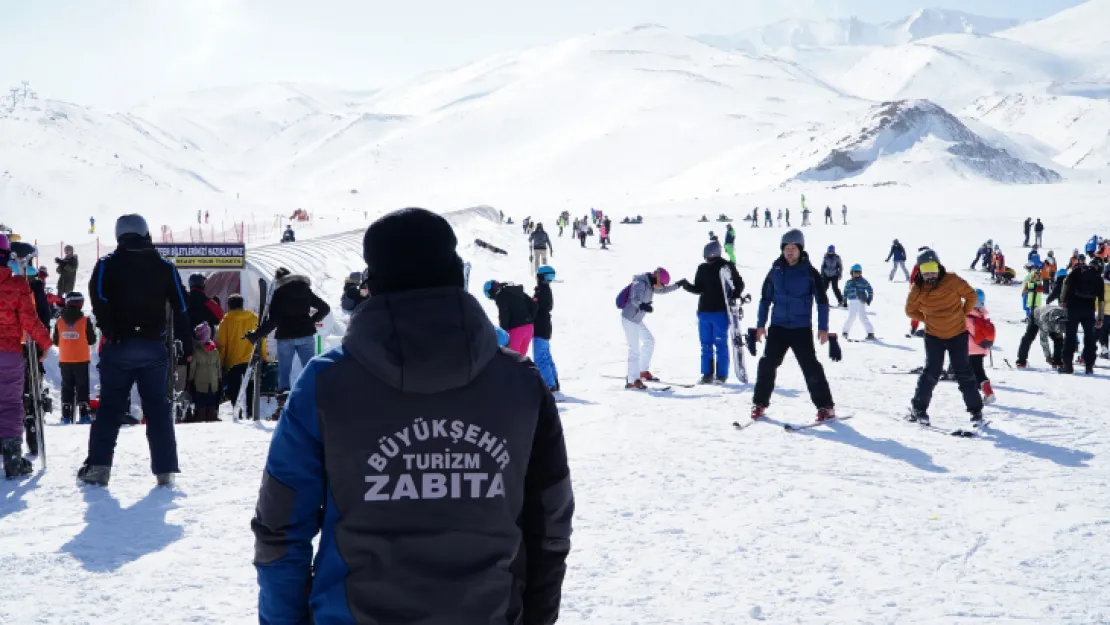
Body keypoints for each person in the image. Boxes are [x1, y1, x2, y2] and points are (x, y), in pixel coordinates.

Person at [252, 208, 572, 625]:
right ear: (458, 275)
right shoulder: (520, 382)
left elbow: (281, 528)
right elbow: (549, 526)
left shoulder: (326, 383)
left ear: (372, 285)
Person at [80, 214, 194, 487]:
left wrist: (111, 330)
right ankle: (165, 471)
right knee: (157, 407)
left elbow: (98, 297)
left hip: (119, 347)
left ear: (119, 235)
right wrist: (186, 345)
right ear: (146, 233)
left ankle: (98, 468)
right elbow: (181, 305)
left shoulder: (107, 265)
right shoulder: (164, 267)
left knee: (110, 407)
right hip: (154, 347)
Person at [751, 229, 837, 420]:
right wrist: (760, 324)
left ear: (800, 249)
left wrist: (823, 328)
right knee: (767, 364)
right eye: (786, 248)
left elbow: (822, 301)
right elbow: (765, 299)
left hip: (801, 329)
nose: (789, 252)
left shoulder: (810, 272)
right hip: (778, 327)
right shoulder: (775, 271)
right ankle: (759, 403)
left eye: (793, 248)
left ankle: (825, 407)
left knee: (810, 367)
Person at [904, 249, 983, 426]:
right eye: (925, 269)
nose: (930, 273)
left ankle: (976, 411)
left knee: (963, 372)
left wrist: (963, 313)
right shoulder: (917, 289)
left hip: (957, 334)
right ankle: (919, 409)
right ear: (919, 271)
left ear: (939, 266)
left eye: (933, 268)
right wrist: (927, 318)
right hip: (934, 337)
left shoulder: (952, 280)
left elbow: (971, 295)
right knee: (932, 372)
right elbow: (909, 310)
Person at [0, 234, 52, 478]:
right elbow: (30, 321)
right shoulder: (19, 285)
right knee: (10, 404)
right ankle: (12, 458)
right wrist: (45, 343)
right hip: (9, 353)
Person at [246, 268, 331, 398]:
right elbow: (325, 308)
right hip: (306, 335)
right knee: (309, 367)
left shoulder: (279, 294)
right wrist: (311, 321)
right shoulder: (305, 290)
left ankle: (284, 398)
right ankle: (314, 394)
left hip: (286, 336)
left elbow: (273, 320)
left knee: (284, 371)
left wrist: (257, 334)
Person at [678, 241, 744, 384]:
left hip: (720, 312)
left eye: (709, 256)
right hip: (704, 312)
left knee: (720, 343)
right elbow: (699, 289)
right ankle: (707, 374)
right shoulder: (702, 268)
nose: (707, 259)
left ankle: (721, 375)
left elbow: (739, 284)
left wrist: (735, 296)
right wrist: (687, 286)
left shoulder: (726, 267)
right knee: (706, 344)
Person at [620, 267, 680, 389]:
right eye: (662, 283)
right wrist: (643, 306)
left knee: (649, 341)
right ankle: (632, 380)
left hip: (636, 319)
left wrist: (678, 285)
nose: (662, 286)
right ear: (657, 278)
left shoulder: (651, 285)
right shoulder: (640, 283)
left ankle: (642, 371)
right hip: (629, 319)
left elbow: (663, 290)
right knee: (634, 349)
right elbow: (634, 298)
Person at [216, 293, 266, 419]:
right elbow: (262, 339)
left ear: (229, 306)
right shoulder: (254, 318)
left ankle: (236, 411)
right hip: (251, 359)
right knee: (250, 388)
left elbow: (222, 345)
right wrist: (264, 356)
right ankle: (250, 412)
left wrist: (221, 363)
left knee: (234, 389)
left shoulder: (225, 321)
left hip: (232, 361)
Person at [53, 292, 97, 424]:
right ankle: (84, 415)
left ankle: (66, 416)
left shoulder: (59, 321)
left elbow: (55, 341)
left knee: (67, 386)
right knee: (82, 387)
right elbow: (92, 339)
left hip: (65, 358)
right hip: (81, 358)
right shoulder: (85, 320)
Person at [1059, 255, 1104, 374]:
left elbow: (1066, 284)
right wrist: (1100, 318)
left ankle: (1068, 366)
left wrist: (1063, 301)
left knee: (1070, 337)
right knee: (1089, 338)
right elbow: (1101, 300)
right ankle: (1089, 366)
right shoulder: (1098, 278)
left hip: (1073, 308)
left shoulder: (1077, 271)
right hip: (1089, 311)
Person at [483, 279, 537, 356]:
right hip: (529, 328)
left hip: (516, 330)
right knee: (521, 360)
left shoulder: (501, 295)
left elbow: (504, 315)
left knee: (512, 359)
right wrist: (528, 320)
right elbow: (534, 305)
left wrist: (503, 333)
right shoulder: (515, 289)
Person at [533, 265, 560, 391]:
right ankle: (553, 380)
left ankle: (549, 384)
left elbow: (537, 308)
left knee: (540, 357)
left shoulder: (541, 291)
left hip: (540, 327)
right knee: (546, 355)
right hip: (545, 327)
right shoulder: (546, 290)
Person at [187, 323, 221, 422]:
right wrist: (219, 377)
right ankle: (211, 416)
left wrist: (190, 379)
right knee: (211, 400)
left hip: (200, 382)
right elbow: (218, 366)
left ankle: (200, 417)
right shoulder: (215, 350)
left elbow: (193, 368)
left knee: (200, 401)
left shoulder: (196, 351)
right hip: (213, 381)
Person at [966, 289, 995, 404]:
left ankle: (988, 393)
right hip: (981, 347)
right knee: (977, 370)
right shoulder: (982, 314)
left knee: (977, 372)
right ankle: (982, 391)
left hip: (970, 349)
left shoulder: (967, 317)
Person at [1016, 304, 1066, 368]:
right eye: (1058, 331)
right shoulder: (1045, 321)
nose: (1059, 333)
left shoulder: (1066, 316)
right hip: (1036, 317)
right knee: (1028, 337)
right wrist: (1048, 356)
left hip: (1053, 316)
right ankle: (1021, 361)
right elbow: (1043, 340)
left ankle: (1057, 361)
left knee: (1059, 339)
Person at [842, 264, 874, 340]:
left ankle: (870, 332)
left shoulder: (863, 281)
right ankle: (845, 332)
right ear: (852, 272)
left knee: (862, 317)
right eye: (855, 272)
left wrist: (869, 299)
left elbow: (870, 290)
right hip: (852, 301)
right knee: (851, 317)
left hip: (861, 302)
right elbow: (845, 292)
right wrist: (844, 301)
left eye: (858, 272)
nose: (856, 274)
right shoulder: (849, 282)